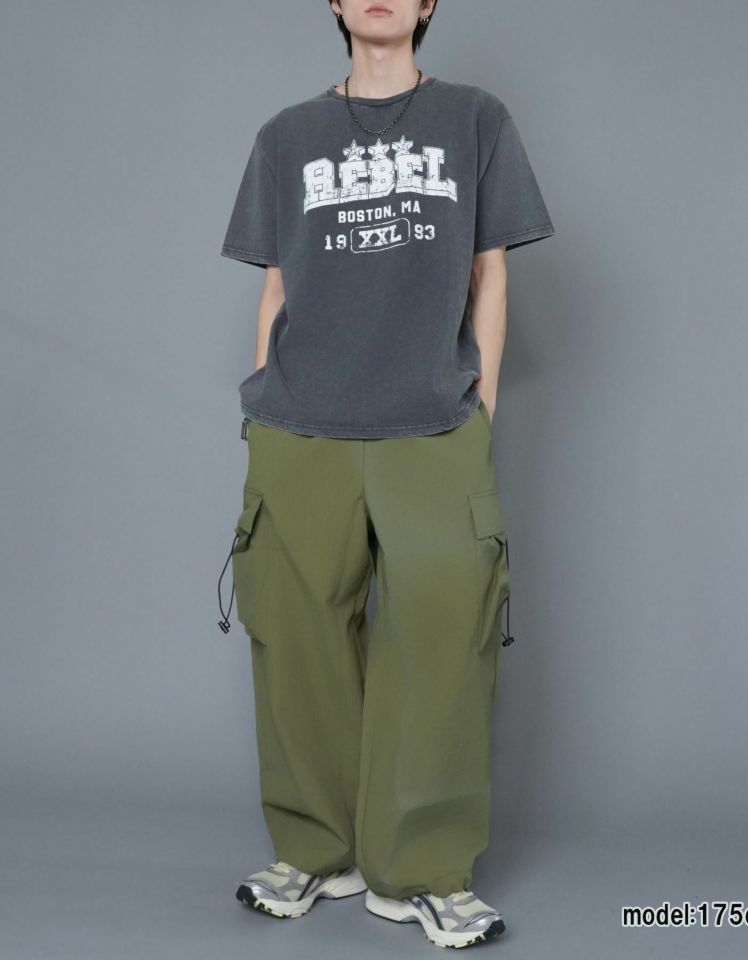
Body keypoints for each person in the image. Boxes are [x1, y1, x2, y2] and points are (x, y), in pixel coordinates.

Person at [216, 0, 555, 948]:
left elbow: (491, 271)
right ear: (332, 1)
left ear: (428, 3)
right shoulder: (287, 137)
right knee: (298, 644)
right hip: (301, 427)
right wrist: (264, 407)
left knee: (443, 645)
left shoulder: (475, 120)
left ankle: (425, 871)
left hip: (432, 424)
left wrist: (482, 406)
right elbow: (276, 284)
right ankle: (314, 851)